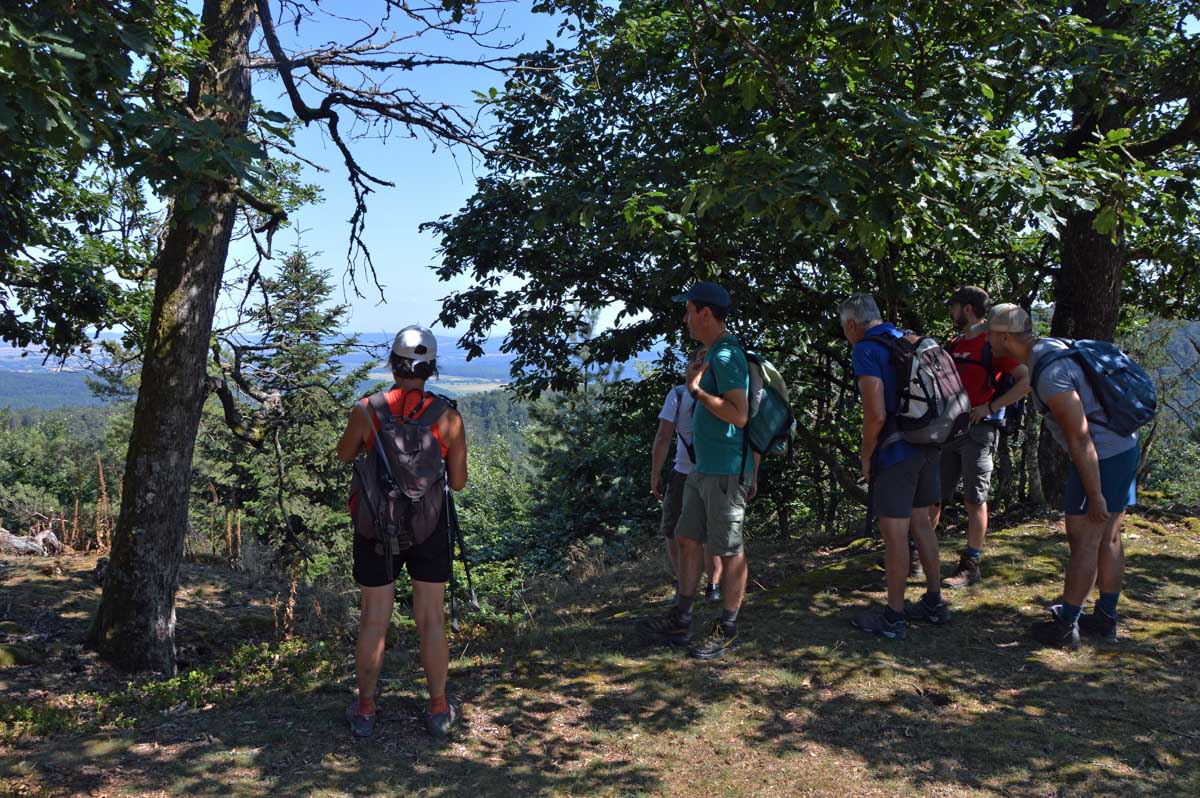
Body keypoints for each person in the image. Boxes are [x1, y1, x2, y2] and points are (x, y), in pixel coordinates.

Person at [335, 325, 469, 737]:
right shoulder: (448, 417)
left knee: (374, 618)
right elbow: (458, 482)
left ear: (394, 365)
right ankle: (439, 708)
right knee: (431, 618)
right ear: (431, 369)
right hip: (430, 526)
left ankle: (365, 709)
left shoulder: (366, 410)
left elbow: (344, 454)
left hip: (377, 526)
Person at [986, 304, 1138, 646]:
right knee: (1107, 537)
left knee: (1086, 539)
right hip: (1123, 445)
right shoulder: (1049, 348)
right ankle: (1105, 619)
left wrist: (1095, 494)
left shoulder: (1049, 373)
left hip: (1102, 456)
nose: (987, 341)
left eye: (990, 334)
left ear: (1006, 337)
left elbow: (1080, 438)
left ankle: (1066, 627)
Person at [646, 281, 758, 659]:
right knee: (686, 538)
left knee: (728, 550)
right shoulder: (712, 353)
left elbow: (739, 415)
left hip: (725, 469)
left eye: (689, 311)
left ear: (705, 313)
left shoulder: (726, 356)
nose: (685, 318)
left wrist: (696, 391)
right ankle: (681, 618)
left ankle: (727, 626)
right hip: (702, 468)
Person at [840, 293, 948, 640]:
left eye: (845, 329)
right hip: (928, 442)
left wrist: (866, 456)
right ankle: (934, 603)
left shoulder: (866, 350)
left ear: (852, 325)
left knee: (895, 535)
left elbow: (875, 414)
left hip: (896, 452)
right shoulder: (908, 338)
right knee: (923, 525)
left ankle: (894, 617)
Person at [931, 286, 1030, 588]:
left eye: (954, 307)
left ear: (968, 309)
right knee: (933, 496)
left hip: (979, 431)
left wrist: (991, 407)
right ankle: (918, 555)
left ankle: (971, 565)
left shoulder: (992, 345)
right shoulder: (955, 343)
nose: (951, 312)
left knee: (975, 498)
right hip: (949, 430)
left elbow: (1026, 379)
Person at [651, 348, 723, 605]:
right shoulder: (725, 395)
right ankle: (713, 587)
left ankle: (685, 586)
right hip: (718, 471)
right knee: (712, 532)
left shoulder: (679, 394)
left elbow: (664, 437)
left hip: (683, 472)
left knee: (673, 529)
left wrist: (656, 473)